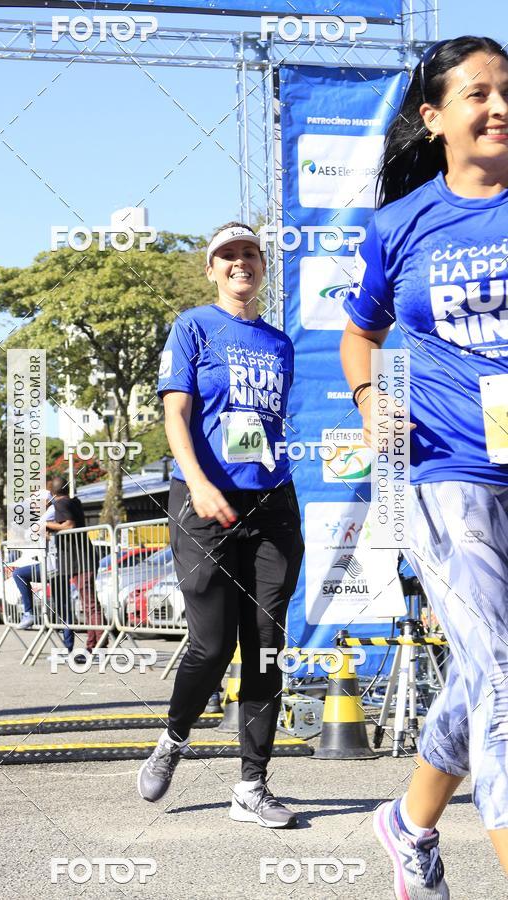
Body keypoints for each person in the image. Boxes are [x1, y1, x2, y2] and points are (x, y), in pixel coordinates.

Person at [341, 36, 508, 898]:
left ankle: (408, 823)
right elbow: (360, 333)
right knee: (504, 675)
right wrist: (371, 399)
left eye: (507, 90)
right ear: (433, 117)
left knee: (488, 667)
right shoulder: (399, 226)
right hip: (443, 471)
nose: (500, 106)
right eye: (479, 93)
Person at [137, 222, 305, 828]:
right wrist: (200, 482)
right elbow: (176, 414)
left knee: (265, 646)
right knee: (212, 645)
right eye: (228, 255)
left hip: (271, 504)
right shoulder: (192, 327)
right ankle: (174, 737)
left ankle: (252, 786)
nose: (241, 263)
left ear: (263, 266)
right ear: (211, 269)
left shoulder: (279, 343)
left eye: (250, 254)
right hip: (204, 502)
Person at [44, 476, 86, 655]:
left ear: (51, 493)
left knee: (69, 604)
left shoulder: (59, 505)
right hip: (62, 561)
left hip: (62, 563)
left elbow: (68, 526)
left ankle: (85, 647)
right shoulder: (71, 502)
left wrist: (44, 524)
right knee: (67, 604)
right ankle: (76, 646)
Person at [14, 490, 55, 630]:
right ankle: (29, 613)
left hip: (53, 564)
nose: (33, 507)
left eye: (35, 503)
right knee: (19, 574)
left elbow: (31, 532)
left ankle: (29, 613)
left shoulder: (52, 511)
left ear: (46, 502)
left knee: (19, 574)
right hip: (49, 562)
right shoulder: (45, 514)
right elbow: (30, 533)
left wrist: (38, 530)